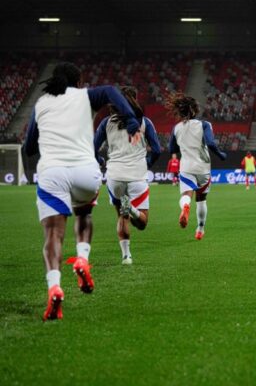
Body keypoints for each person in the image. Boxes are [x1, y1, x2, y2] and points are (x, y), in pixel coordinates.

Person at [22, 62, 140, 321]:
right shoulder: (86, 96)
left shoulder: (41, 105)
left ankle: (54, 286)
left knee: (53, 234)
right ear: (78, 82)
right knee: (84, 214)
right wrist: (131, 120)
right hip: (86, 172)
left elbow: (29, 147)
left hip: (53, 173)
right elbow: (110, 90)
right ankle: (83, 259)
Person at [94, 86, 161, 265]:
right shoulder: (144, 122)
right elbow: (157, 150)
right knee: (142, 223)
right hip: (137, 175)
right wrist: (147, 163)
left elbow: (92, 148)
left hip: (114, 176)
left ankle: (126, 256)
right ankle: (131, 208)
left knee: (121, 217)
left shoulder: (106, 123)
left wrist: (101, 161)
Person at [167, 93, 227, 240]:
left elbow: (171, 150)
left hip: (186, 167)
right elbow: (211, 143)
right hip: (203, 168)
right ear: (194, 110)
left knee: (186, 195)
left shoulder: (176, 128)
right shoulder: (204, 125)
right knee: (201, 198)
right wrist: (220, 155)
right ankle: (200, 229)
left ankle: (185, 206)